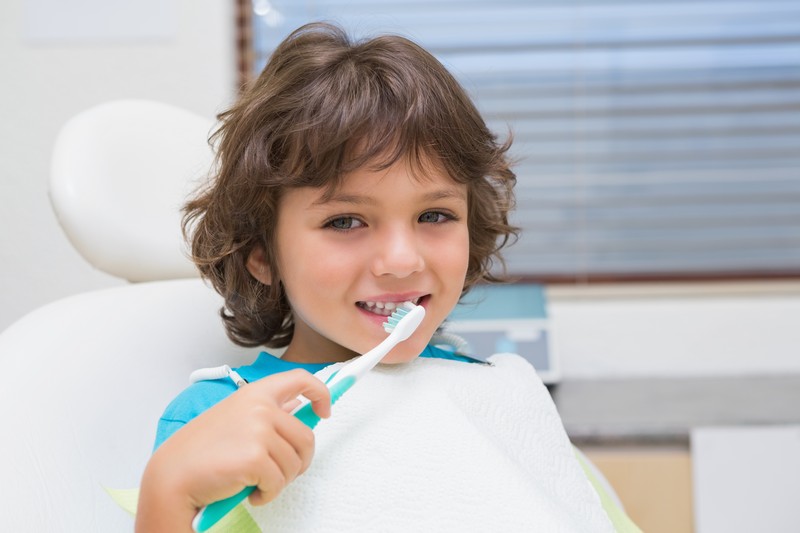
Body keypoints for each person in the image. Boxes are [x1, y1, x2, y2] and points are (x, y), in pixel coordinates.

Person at [135, 22, 629, 533]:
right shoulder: (220, 418)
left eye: (434, 215)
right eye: (345, 221)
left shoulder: (501, 397)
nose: (401, 260)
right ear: (261, 253)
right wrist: (167, 493)